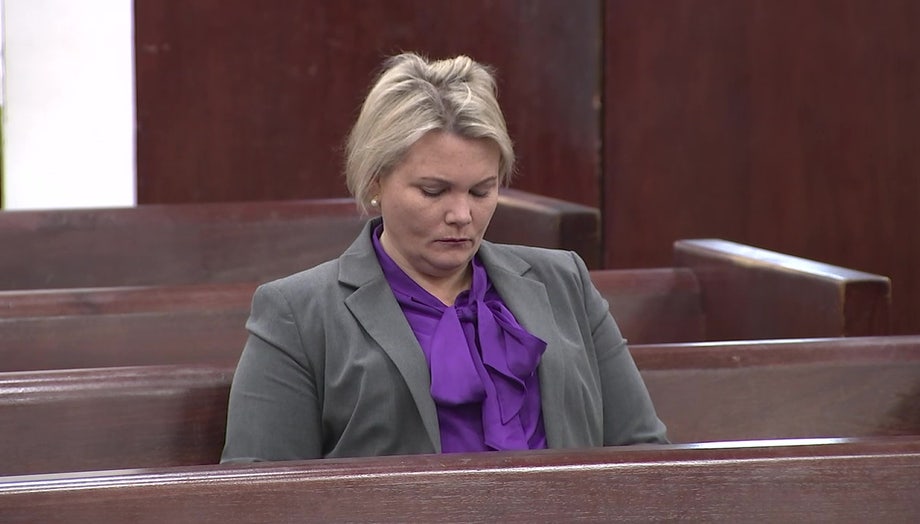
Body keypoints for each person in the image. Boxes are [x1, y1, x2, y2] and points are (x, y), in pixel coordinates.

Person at [221, 52, 667, 463]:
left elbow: (645, 455)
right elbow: (256, 491)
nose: (461, 215)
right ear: (376, 181)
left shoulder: (564, 280)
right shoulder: (298, 313)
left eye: (481, 191)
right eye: (433, 192)